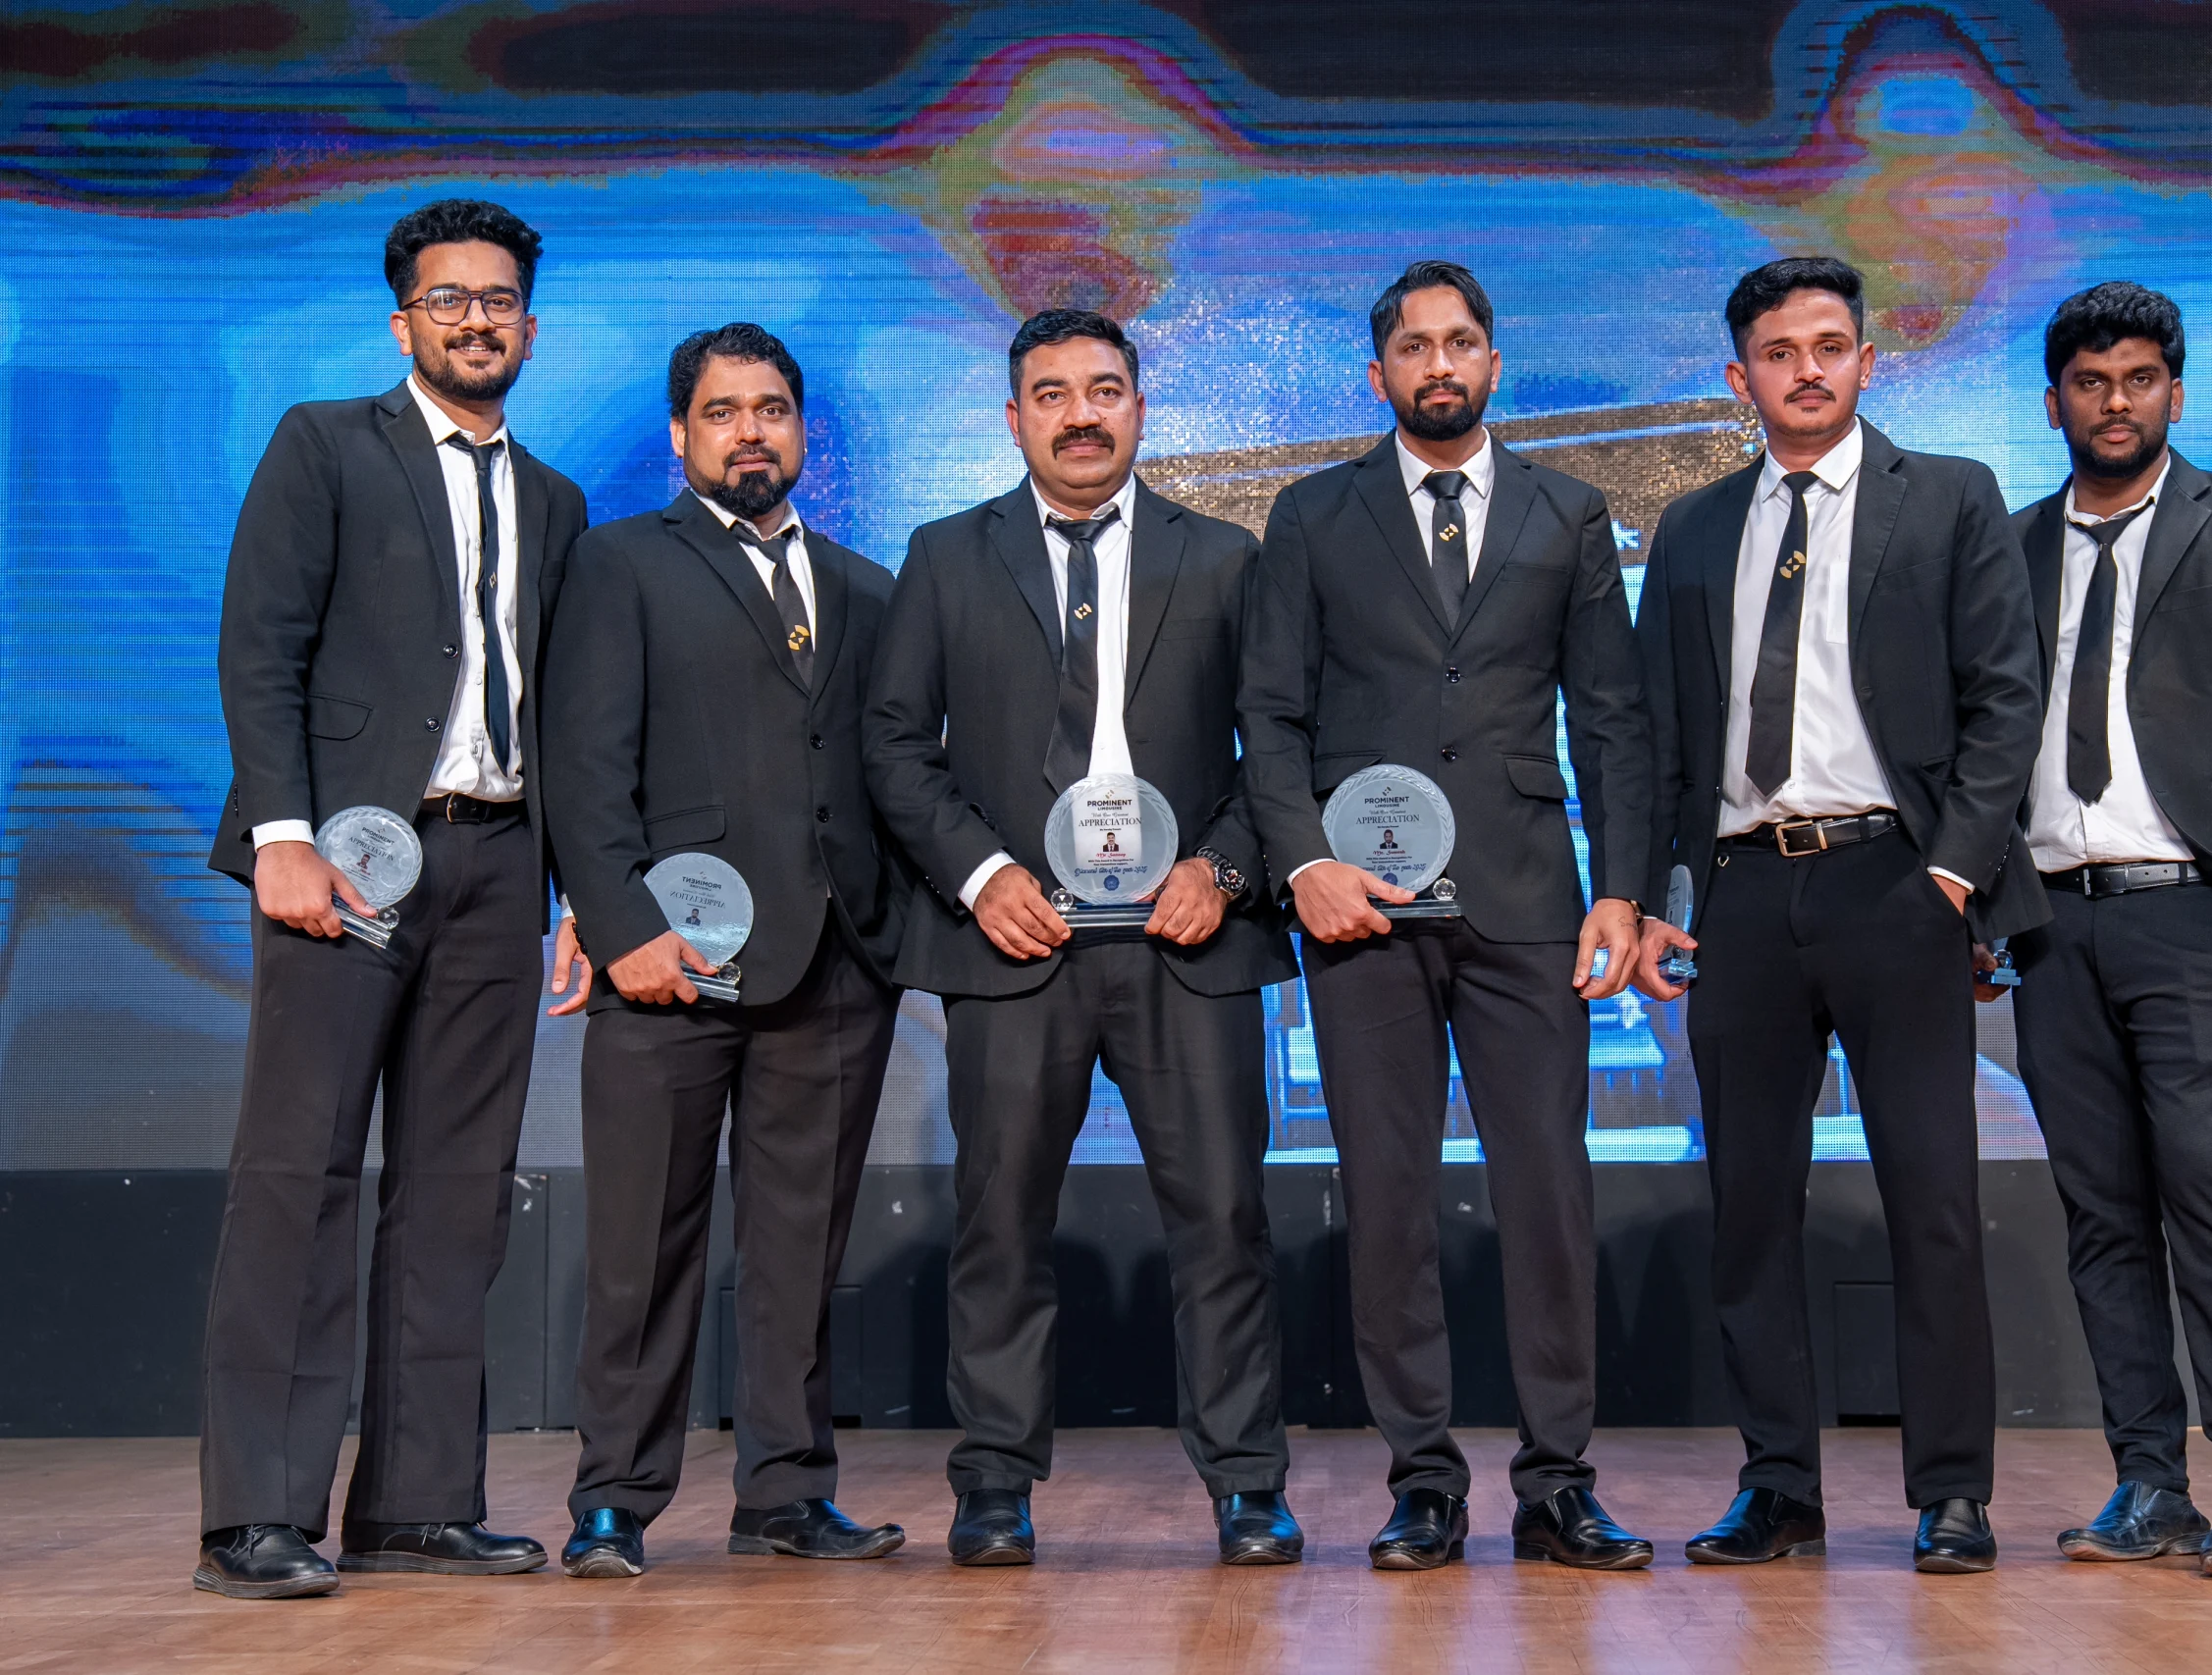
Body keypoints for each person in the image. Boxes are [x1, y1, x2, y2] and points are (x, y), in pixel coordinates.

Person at [864, 309, 1302, 1568]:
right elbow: (893, 743)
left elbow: (1279, 745)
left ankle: (1247, 1485)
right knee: (1000, 1222)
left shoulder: (1222, 557)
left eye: (1103, 389)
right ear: (1013, 419)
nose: (1079, 415)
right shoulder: (944, 555)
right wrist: (981, 873)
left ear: (1140, 408)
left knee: (1223, 1219)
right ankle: (995, 1484)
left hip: (1186, 940)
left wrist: (1224, 867)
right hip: (1015, 942)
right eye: (1051, 394)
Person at [1239, 260, 1655, 1571]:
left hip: (1530, 899)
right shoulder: (1312, 514)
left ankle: (1558, 1480)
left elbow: (1613, 718)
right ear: (1378, 374)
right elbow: (1270, 714)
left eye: (1460, 341)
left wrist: (1624, 889)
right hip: (1361, 907)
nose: (1439, 363)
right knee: (1389, 1197)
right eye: (1414, 346)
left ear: (1493, 360)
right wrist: (1301, 863)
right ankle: (1421, 1480)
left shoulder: (1568, 510)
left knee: (1550, 1194)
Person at [196, 199, 585, 1598]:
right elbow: (261, 644)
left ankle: (419, 1502)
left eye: (498, 300)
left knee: (459, 1191)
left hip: (500, 864)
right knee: (297, 1176)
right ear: (403, 319)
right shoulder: (324, 443)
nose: (476, 319)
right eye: (448, 298)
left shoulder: (557, 500)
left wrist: (577, 894)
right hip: (346, 858)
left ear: (530, 327)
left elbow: (566, 711)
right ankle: (258, 1511)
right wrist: (282, 833)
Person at [1633, 256, 2045, 1573]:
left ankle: (1953, 1491)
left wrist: (1952, 874)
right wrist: (1652, 895)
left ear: (1867, 360)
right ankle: (1777, 1487)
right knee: (1751, 1205)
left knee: (1932, 1195)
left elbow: (2006, 698)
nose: (1804, 369)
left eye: (1827, 346)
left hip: (1895, 881)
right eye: (1778, 351)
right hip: (1744, 893)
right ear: (1738, 376)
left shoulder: (1952, 496)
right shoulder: (1693, 527)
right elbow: (1653, 732)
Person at [540, 324, 907, 1579]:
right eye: (722, 411)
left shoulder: (867, 586)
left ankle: (786, 1494)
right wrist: (619, 927)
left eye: (771, 409)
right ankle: (613, 1500)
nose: (750, 431)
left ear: (802, 431)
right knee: (642, 1244)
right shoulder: (617, 564)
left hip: (834, 965)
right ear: (681, 434)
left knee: (801, 1250)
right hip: (669, 965)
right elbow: (583, 765)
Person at [2003, 282, 2212, 1580]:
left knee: (2210, 1197)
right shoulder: (2012, 546)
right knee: (2101, 1216)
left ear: (2176, 393)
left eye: (2139, 379)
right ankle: (2148, 1482)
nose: (2116, 402)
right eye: (2091, 382)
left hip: (2195, 913)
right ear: (2054, 402)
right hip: (2053, 926)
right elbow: (1985, 741)